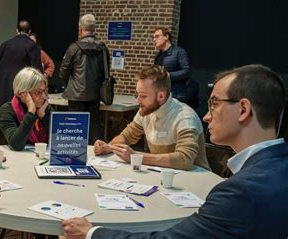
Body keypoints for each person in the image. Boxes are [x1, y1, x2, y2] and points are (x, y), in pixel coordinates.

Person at [62, 64, 288, 239]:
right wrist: (110, 146)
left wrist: (93, 233)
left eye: (214, 104)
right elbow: (128, 134)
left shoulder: (237, 192)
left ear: (243, 109)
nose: (207, 116)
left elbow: (185, 159)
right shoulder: (276, 169)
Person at [94, 65, 209, 170]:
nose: (138, 101)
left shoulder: (184, 117)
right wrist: (108, 147)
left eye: (143, 96)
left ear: (161, 96)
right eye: (137, 95)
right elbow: (126, 136)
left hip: (192, 183)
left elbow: (184, 159)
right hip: (166, 178)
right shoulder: (146, 110)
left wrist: (136, 157)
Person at [59, 14, 107, 144]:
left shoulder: (74, 48)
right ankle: (96, 153)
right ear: (94, 29)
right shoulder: (102, 48)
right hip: (95, 94)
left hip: (76, 95)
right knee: (94, 126)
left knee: (75, 128)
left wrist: (69, 83)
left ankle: (75, 155)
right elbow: (106, 72)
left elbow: (63, 71)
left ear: (80, 29)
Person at [0, 67, 51, 151]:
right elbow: (16, 144)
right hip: (11, 159)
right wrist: (31, 112)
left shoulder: (44, 108)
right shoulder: (7, 110)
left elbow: (61, 139)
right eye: (38, 92)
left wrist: (43, 117)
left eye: (44, 92)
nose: (43, 97)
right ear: (22, 93)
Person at [0, 20, 42, 108]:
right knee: (20, 114)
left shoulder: (5, 45)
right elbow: (37, 69)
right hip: (22, 87)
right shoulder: (32, 46)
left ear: (17, 30)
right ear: (29, 31)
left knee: (6, 112)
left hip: (4, 85)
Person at [153, 26, 199, 108]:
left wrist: (167, 75)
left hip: (176, 94)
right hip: (162, 94)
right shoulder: (158, 55)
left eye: (157, 36)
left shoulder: (179, 52)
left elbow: (187, 71)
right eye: (153, 37)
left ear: (166, 37)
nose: (154, 40)